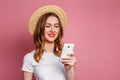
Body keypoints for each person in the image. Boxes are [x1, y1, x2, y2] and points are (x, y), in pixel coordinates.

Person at [22, 5, 77, 80]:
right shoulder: (29, 58)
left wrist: (68, 69)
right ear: (40, 29)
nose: (53, 30)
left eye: (56, 26)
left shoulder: (66, 54)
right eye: (48, 26)